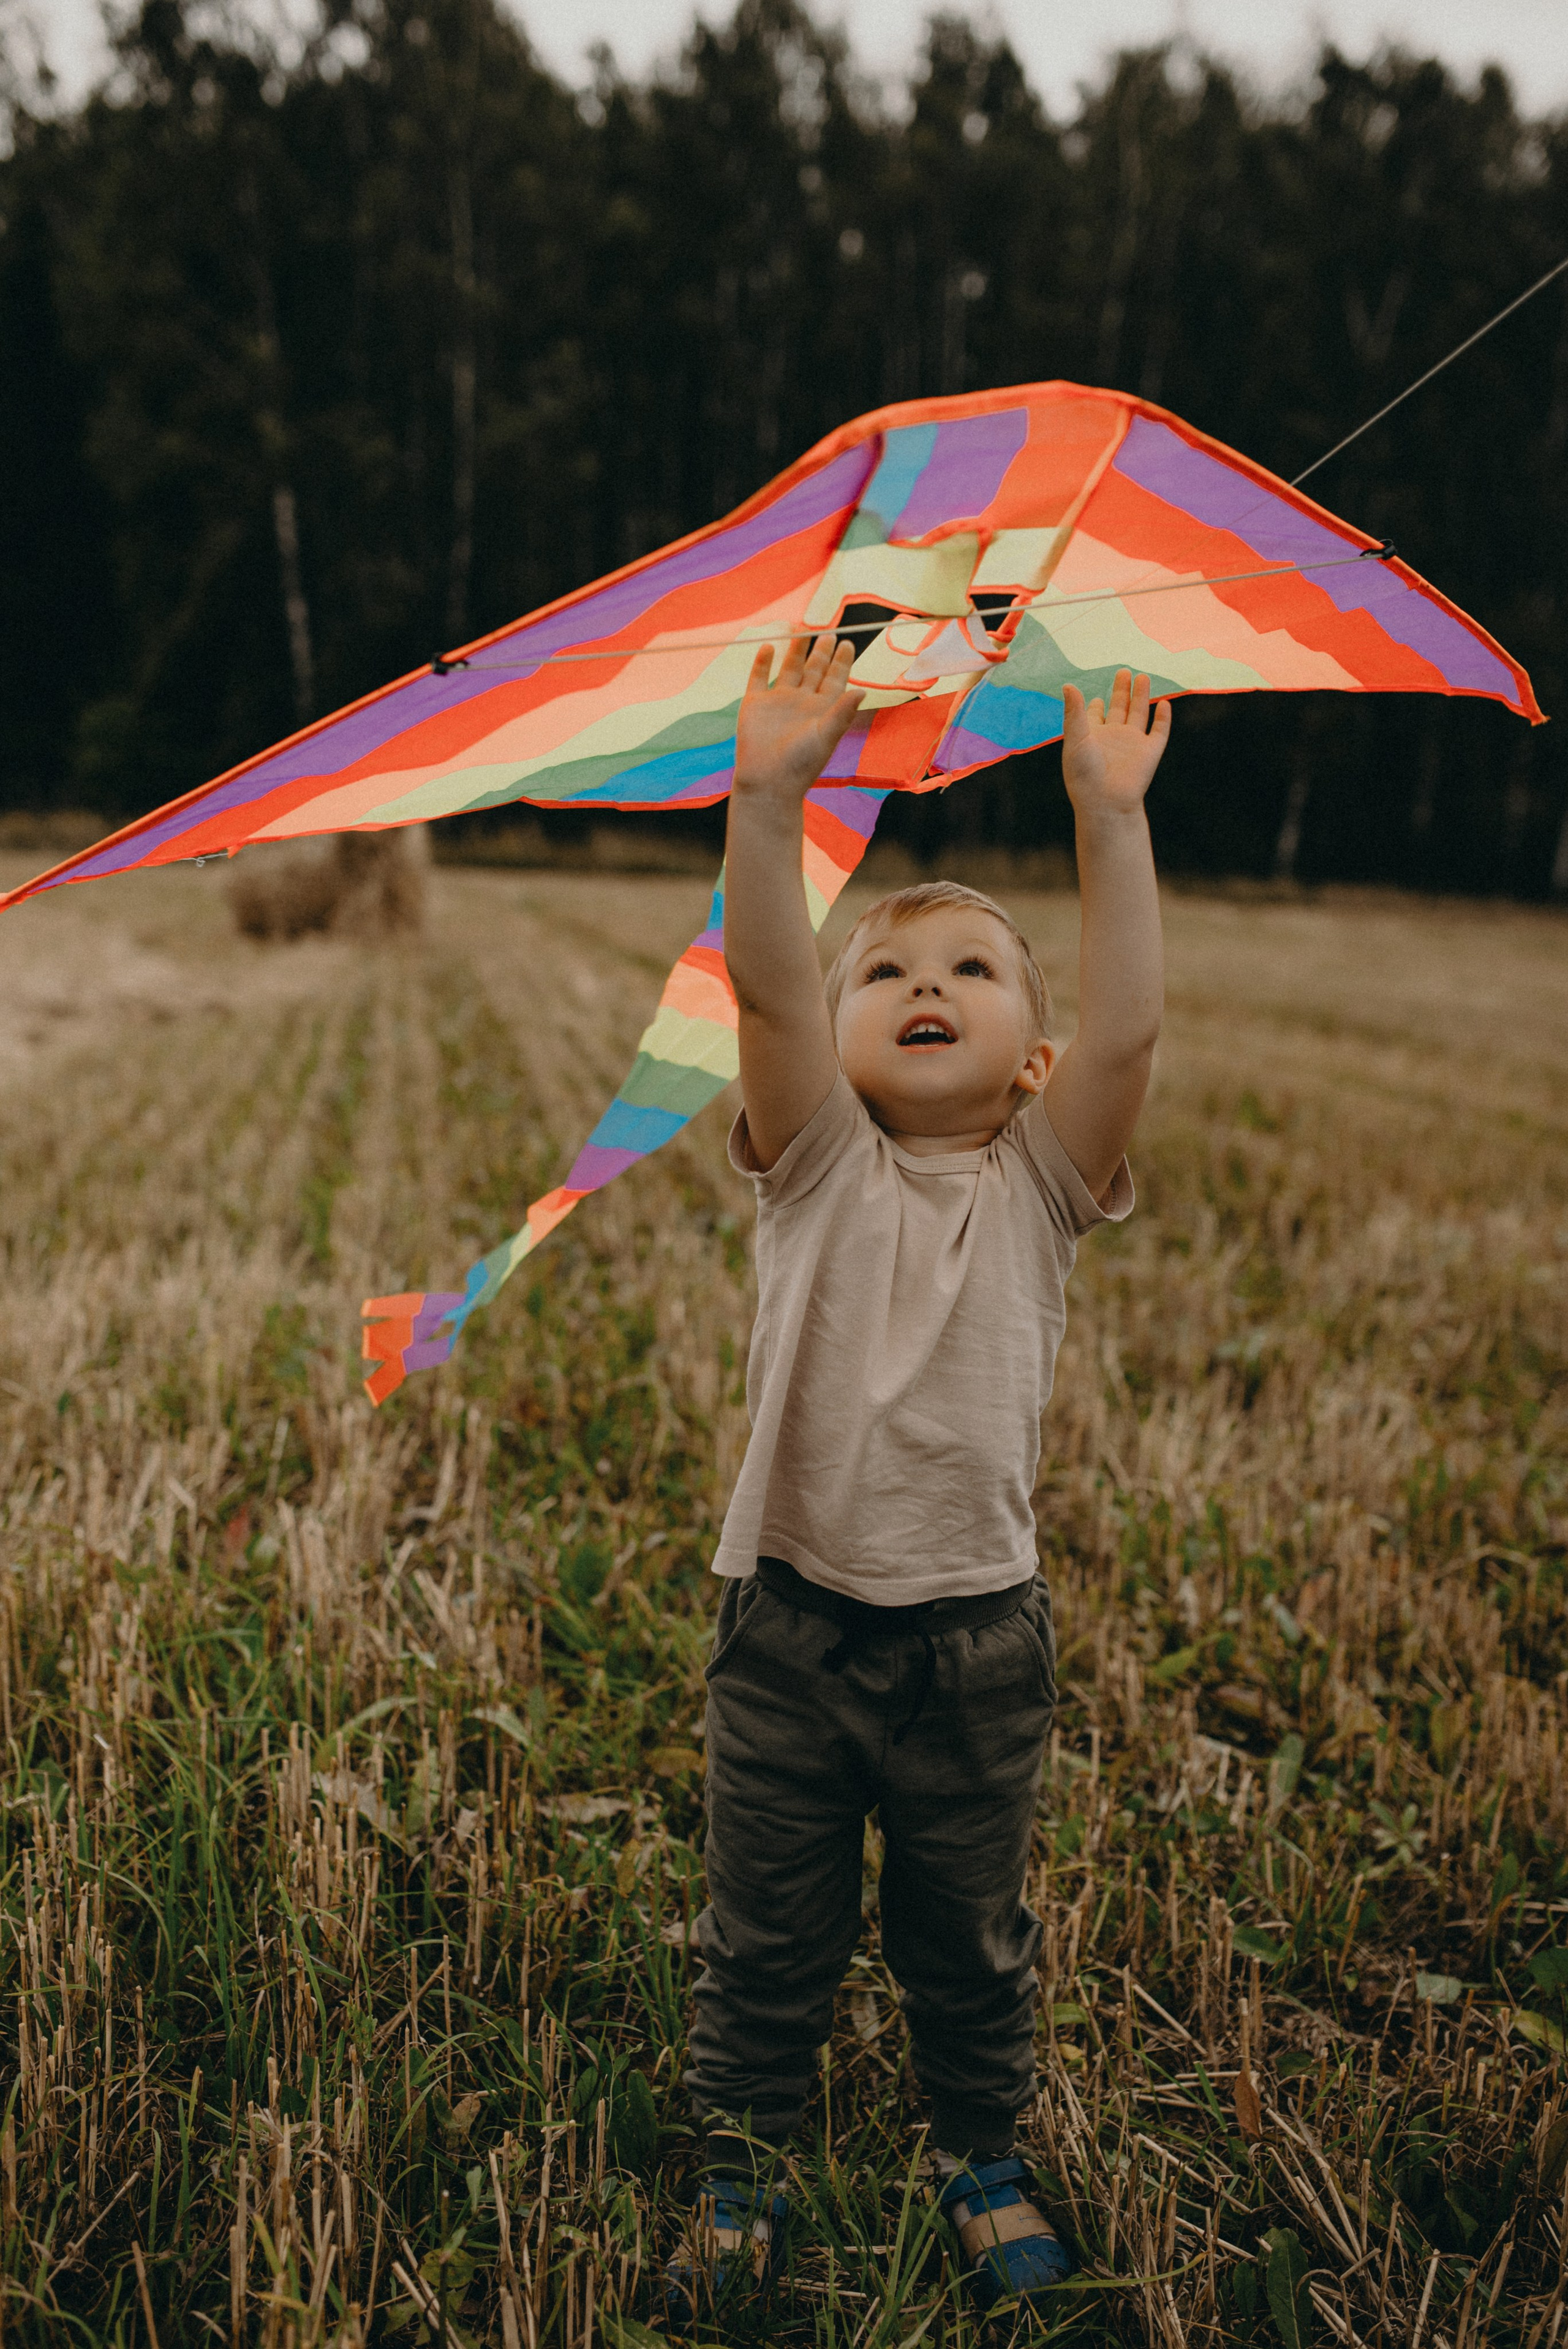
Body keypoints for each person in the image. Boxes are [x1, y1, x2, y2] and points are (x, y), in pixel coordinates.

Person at [668, 634, 1170, 2323]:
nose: (926, 980)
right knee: (769, 1935)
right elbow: (766, 990)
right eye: (889, 970)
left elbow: (1139, 1024)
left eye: (974, 965)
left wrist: (1109, 815)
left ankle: (981, 2144)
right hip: (792, 1634)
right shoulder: (811, 1161)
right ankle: (742, 2148)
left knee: (968, 1934)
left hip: (976, 1651)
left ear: (1034, 1055)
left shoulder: (1042, 1181)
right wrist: (765, 791)